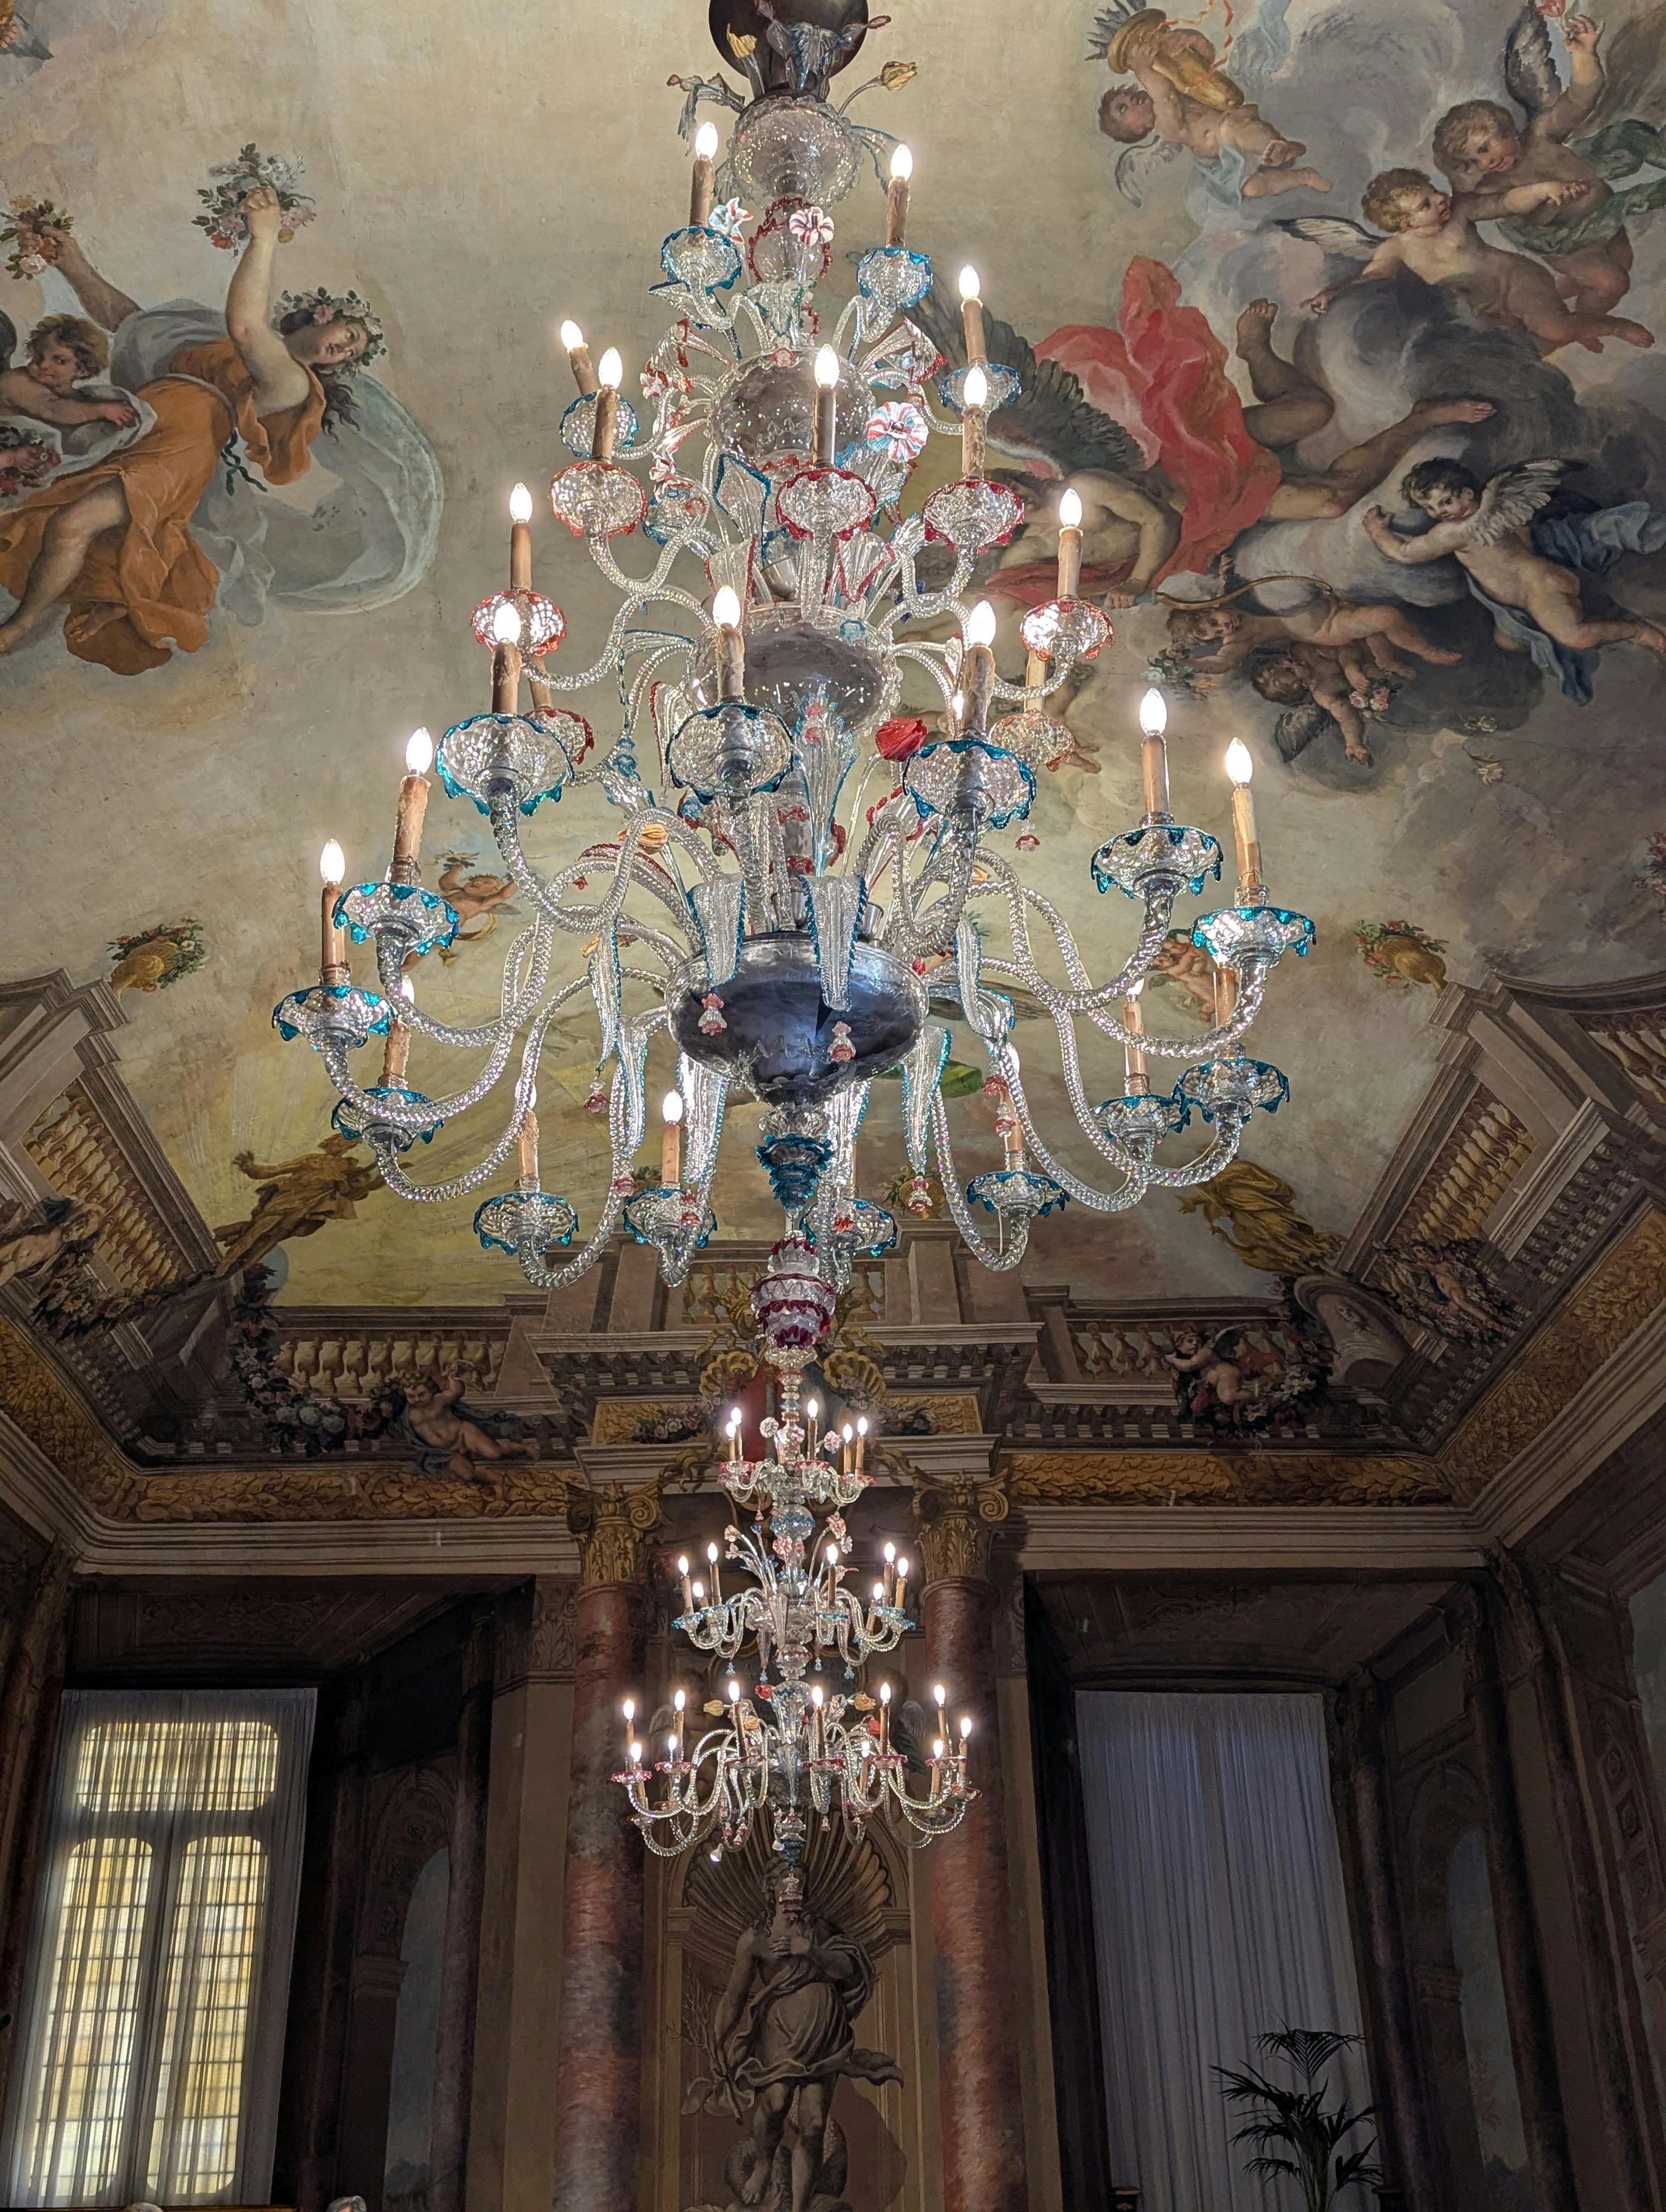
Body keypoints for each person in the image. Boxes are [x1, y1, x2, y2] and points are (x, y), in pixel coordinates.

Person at [0, 185, 377, 670]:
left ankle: (22, 624)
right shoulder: (213, 340)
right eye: (349, 335)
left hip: (182, 447)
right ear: (323, 316)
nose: (345, 351)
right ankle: (105, 596)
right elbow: (129, 323)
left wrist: (263, 239)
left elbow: (246, 327)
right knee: (47, 506)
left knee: (72, 523)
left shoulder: (292, 381)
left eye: (352, 353)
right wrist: (71, 262)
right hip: (136, 425)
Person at [1362, 454, 1666, 700]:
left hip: (1539, 588)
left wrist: (1378, 533)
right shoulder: (1493, 509)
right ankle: (1602, 619)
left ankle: (1638, 630)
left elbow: (1404, 552)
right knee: (1508, 642)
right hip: (1519, 599)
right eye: (1428, 507)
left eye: (1444, 502)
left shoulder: (1453, 532)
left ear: (1468, 494)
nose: (1437, 512)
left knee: (1577, 637)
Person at [703, 1864, 900, 2212]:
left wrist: (809, 1950)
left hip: (824, 2036)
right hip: (780, 2032)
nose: (794, 1887)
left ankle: (799, 2207)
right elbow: (735, 1997)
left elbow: (847, 1969)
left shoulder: (820, 1929)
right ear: (771, 1887)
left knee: (814, 2125)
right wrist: (718, 2039)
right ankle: (763, 2164)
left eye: (800, 1881)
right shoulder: (755, 1938)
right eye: (787, 1880)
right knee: (775, 2104)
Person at [1300, 168, 1652, 353]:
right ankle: (1580, 328)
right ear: (1407, 224)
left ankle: (1613, 327)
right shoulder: (1395, 250)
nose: (1440, 199)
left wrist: (1542, 190)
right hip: (1481, 309)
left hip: (1513, 281)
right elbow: (1374, 277)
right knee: (1519, 355)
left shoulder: (1461, 212)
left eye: (1434, 191)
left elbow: (1505, 203)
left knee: (1554, 329)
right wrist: (1335, 292)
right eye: (1426, 204)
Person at [1099, 12, 1330, 198]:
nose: (1131, 98)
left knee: (1232, 127)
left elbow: (1203, 66)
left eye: (1129, 94)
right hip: (1227, 160)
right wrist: (1143, 70)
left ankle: (1279, 148)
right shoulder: (1167, 127)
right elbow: (1165, 98)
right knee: (1252, 188)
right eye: (1123, 108)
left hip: (1237, 125)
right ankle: (1304, 176)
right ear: (1139, 130)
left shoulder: (1173, 86)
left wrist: (1190, 40)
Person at [0, 316, 137, 434]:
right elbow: (52, 409)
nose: (44, 365)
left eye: (60, 361)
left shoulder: (69, 394)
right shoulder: (16, 381)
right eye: (39, 356)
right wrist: (102, 410)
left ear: (82, 371)